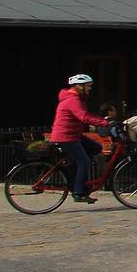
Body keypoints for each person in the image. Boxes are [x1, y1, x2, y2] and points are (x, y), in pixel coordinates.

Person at [52, 73, 111, 203]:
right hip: (66, 136)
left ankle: (73, 169)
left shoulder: (76, 98)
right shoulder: (73, 99)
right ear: (79, 86)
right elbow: (84, 117)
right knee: (84, 162)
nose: (89, 89)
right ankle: (78, 192)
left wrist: (104, 120)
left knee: (96, 147)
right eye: (88, 86)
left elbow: (86, 114)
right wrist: (105, 123)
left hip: (73, 135)